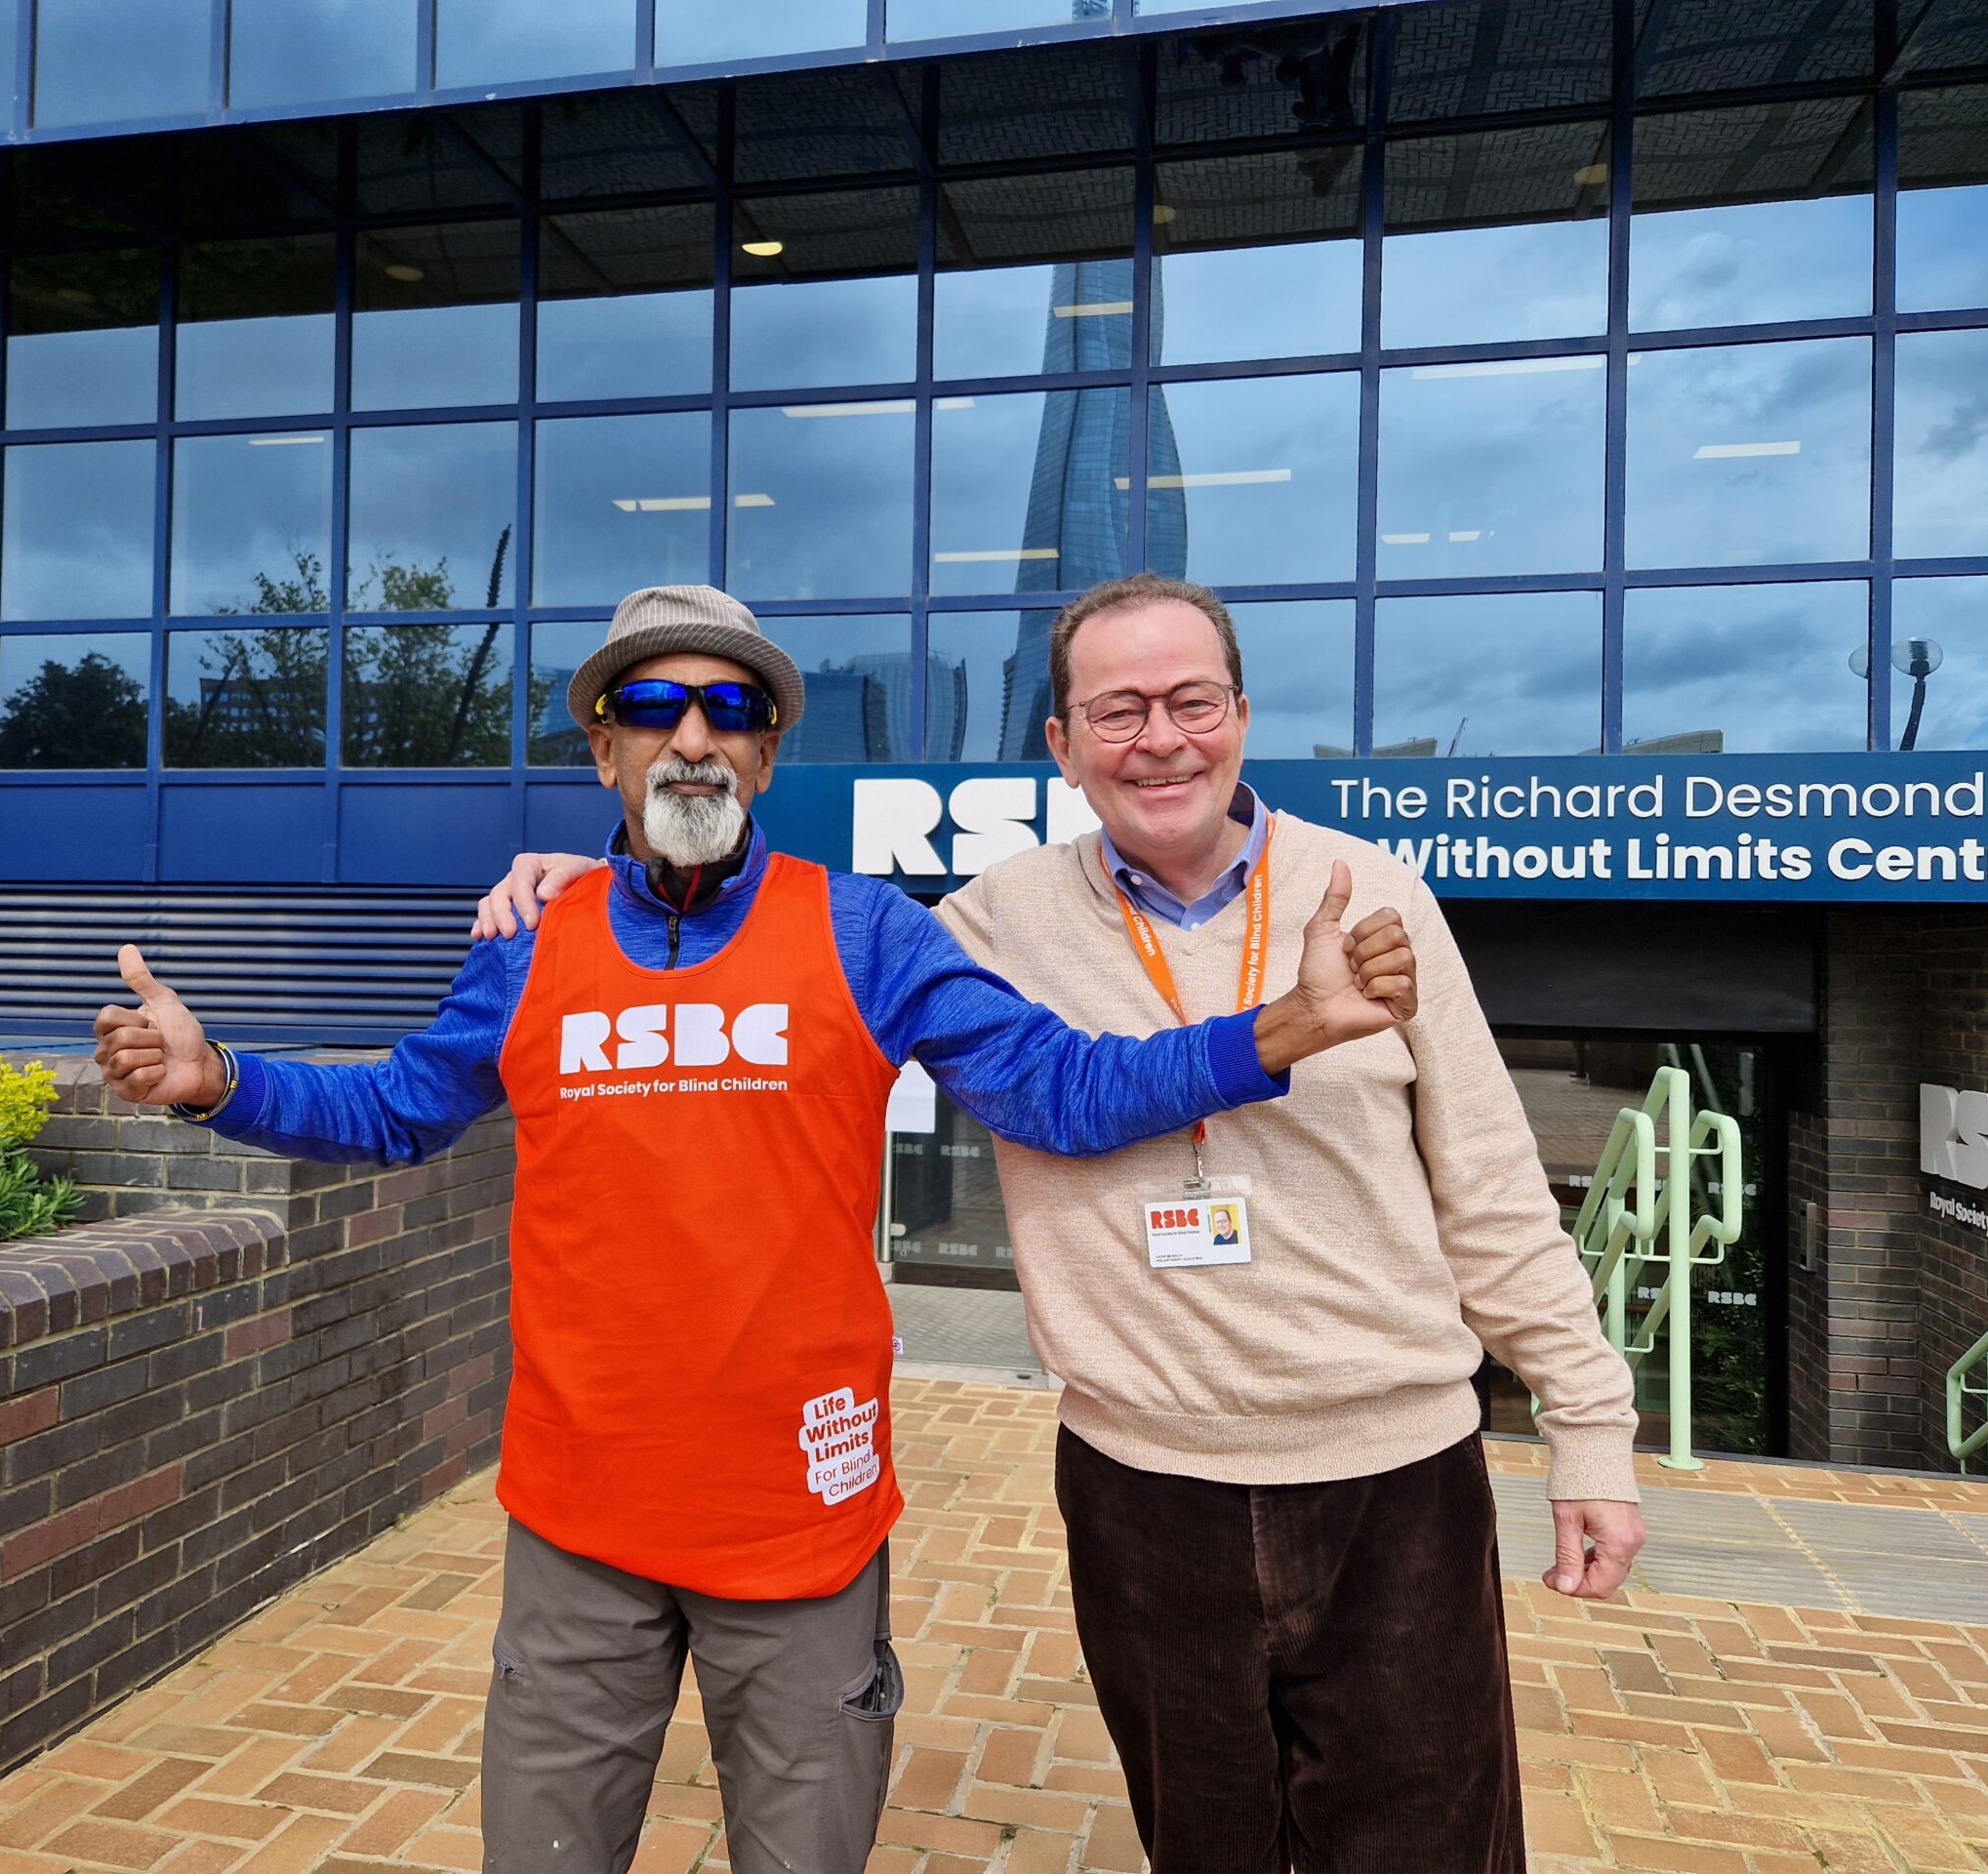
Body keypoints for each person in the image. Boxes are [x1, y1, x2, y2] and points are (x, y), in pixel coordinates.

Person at [92, 584, 1422, 1874]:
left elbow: (1066, 1089)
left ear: (769, 750)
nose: (691, 736)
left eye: (727, 706)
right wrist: (221, 1081)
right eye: (651, 704)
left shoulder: (868, 932)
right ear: (603, 746)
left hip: (803, 1518)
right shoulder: (529, 946)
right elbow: (398, 1108)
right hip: (576, 1518)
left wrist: (1287, 1026)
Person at [475, 572, 1645, 1874]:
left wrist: (1588, 1424)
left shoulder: (1369, 893)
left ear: (1242, 715)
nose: (1160, 737)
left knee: (1431, 1848)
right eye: (1119, 709)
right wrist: (611, 878)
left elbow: (1490, 1187)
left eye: (1191, 700)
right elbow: (761, 935)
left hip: (1393, 1473)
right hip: (1147, 1483)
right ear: (1065, 747)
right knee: (1205, 1849)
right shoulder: (993, 918)